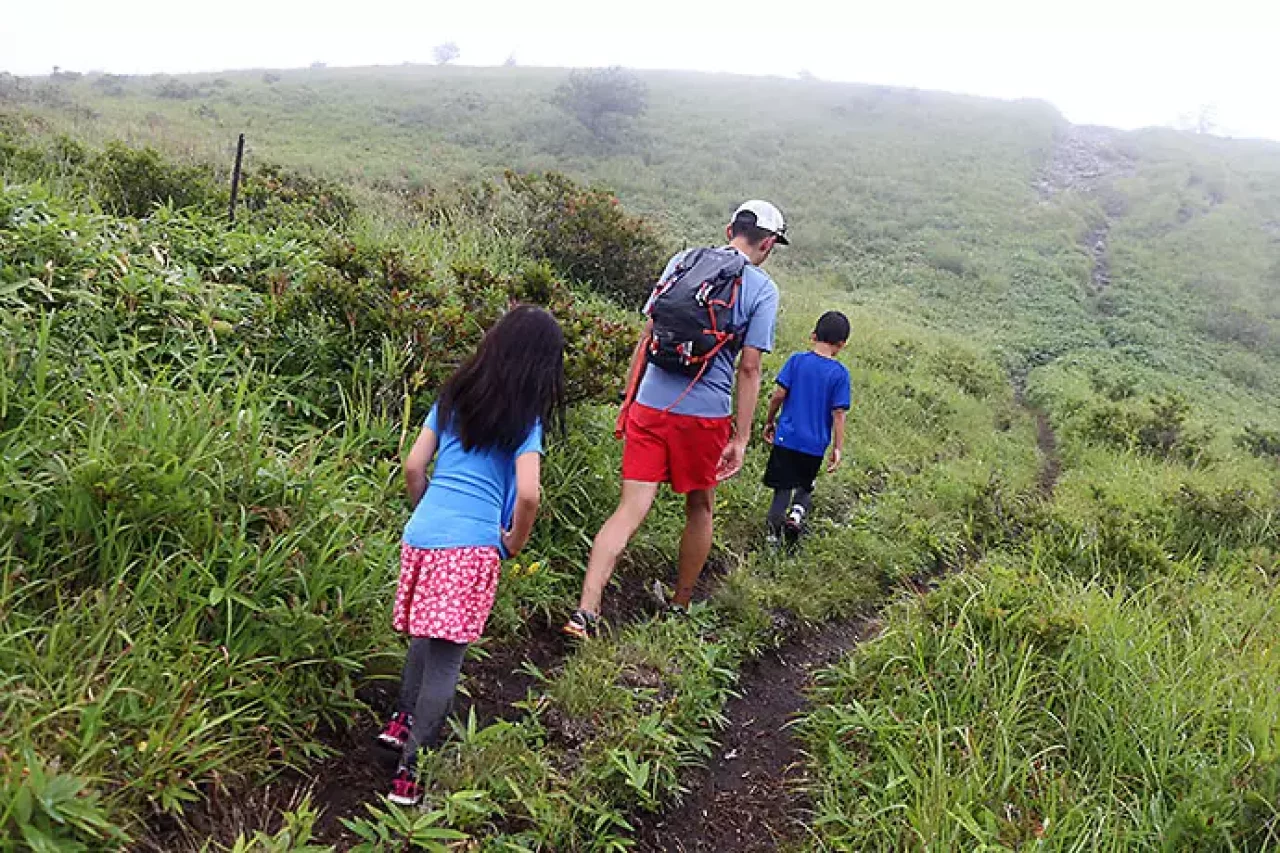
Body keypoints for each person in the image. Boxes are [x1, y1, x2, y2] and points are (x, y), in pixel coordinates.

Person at [562, 200, 787, 640]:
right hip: (704, 419)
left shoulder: (682, 262)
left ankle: (585, 611)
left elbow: (647, 336)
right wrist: (741, 438)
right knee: (700, 507)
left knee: (629, 509)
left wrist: (629, 399)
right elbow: (749, 368)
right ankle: (681, 605)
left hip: (650, 407)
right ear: (768, 244)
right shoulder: (762, 289)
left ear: (729, 230)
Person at [376, 305, 565, 806]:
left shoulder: (453, 397)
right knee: (447, 660)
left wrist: (427, 512)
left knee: (425, 633)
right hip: (472, 545)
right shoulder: (525, 421)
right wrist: (513, 542)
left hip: (423, 535)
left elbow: (413, 466)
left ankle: (400, 723)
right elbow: (529, 495)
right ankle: (410, 772)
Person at [761, 311, 851, 547]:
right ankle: (797, 514)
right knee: (805, 483)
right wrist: (837, 448)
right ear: (841, 344)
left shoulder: (796, 361)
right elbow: (839, 414)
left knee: (782, 490)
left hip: (787, 439)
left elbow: (778, 395)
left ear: (813, 335)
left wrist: (770, 420)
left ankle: (772, 539)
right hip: (815, 445)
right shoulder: (840, 374)